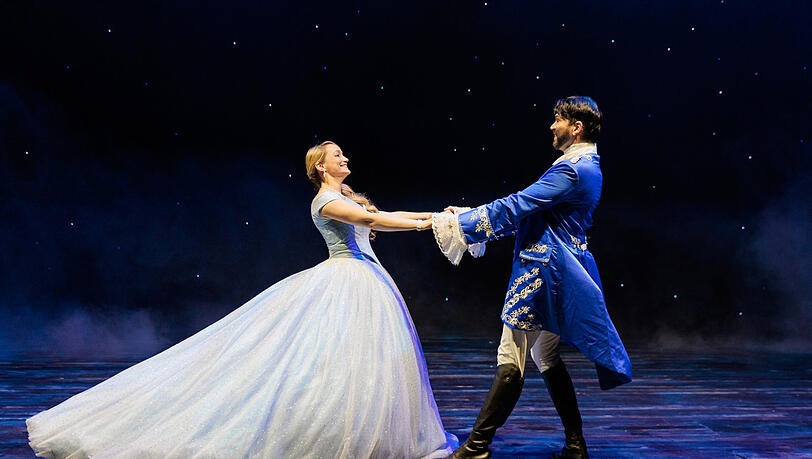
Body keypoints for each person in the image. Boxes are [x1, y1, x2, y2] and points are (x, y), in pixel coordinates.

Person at [26, 140, 457, 458]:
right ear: (321, 168)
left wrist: (436, 216)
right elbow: (373, 219)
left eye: (345, 154)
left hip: (367, 280)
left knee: (367, 363)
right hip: (348, 279)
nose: (346, 158)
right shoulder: (326, 202)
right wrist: (426, 228)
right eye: (337, 155)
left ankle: (366, 431)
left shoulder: (342, 195)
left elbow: (386, 214)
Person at [432, 96, 632, 459]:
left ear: (577, 127)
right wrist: (470, 214)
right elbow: (534, 216)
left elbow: (519, 204)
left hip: (543, 276)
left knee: (511, 356)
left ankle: (477, 447)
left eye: (558, 119)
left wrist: (459, 224)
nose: (552, 126)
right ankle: (575, 446)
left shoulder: (572, 171)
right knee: (547, 355)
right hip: (564, 273)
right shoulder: (585, 165)